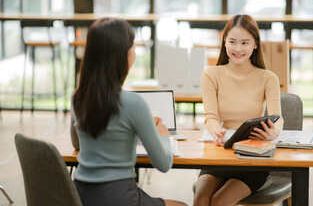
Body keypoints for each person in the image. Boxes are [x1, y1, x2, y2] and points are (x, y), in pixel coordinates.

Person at [70, 17, 187, 206]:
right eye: (132, 46)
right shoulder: (134, 103)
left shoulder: (78, 97)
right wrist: (162, 136)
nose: (135, 51)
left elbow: (77, 143)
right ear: (122, 55)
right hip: (119, 198)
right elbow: (164, 164)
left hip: (81, 196)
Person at [193, 14, 284, 206]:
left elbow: (278, 118)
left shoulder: (268, 78)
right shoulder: (210, 75)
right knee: (201, 199)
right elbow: (210, 116)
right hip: (220, 155)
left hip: (251, 158)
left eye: (245, 43)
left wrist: (273, 133)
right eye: (232, 42)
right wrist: (215, 130)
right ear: (224, 42)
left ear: (255, 44)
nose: (238, 49)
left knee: (219, 202)